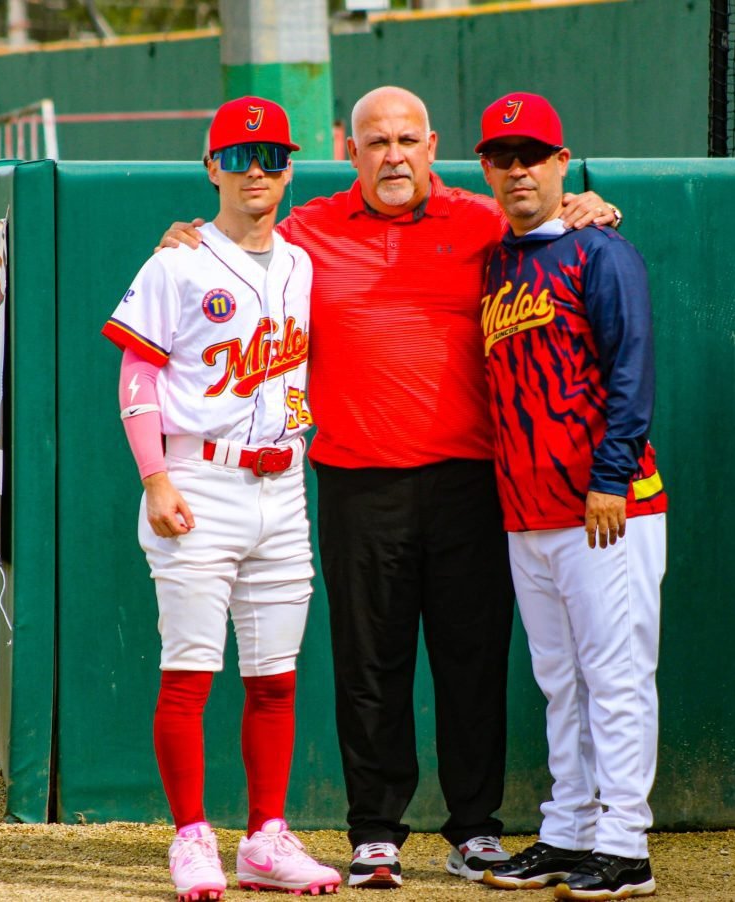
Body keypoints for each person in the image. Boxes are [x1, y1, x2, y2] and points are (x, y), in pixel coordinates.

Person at [156, 86, 621, 889]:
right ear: (352, 152)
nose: (394, 155)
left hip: (469, 479)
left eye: (408, 140)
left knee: (473, 663)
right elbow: (236, 241)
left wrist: (589, 205)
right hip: (356, 481)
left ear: (432, 147)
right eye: (377, 142)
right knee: (369, 665)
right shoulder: (307, 231)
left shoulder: (481, 220)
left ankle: (475, 829)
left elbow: (544, 218)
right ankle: (375, 832)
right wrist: (185, 236)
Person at [101, 96, 341, 902]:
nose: (255, 172)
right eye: (238, 157)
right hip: (198, 478)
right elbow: (137, 374)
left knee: (275, 675)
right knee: (190, 672)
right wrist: (155, 477)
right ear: (211, 167)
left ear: (290, 168)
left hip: (284, 483)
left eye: (271, 157)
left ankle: (266, 839)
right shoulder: (177, 262)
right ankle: (192, 838)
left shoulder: (302, 262)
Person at [472, 92, 667, 901]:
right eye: (502, 157)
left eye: (532, 156)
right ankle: (569, 831)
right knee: (561, 681)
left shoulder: (601, 251)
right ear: (487, 170)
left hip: (604, 506)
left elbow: (632, 369)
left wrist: (610, 479)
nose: (517, 170)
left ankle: (624, 847)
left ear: (562, 163)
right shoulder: (496, 261)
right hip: (528, 508)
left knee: (615, 677)